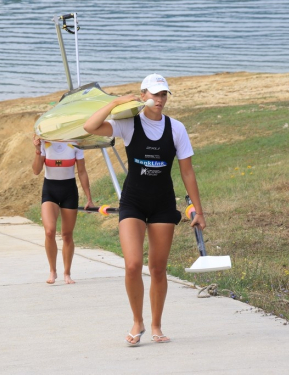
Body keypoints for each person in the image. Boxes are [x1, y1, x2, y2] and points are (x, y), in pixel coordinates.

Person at [84, 73, 206, 346]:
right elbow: (90, 126)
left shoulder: (176, 128)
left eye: (163, 95)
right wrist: (116, 102)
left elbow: (187, 172)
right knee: (133, 265)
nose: (159, 100)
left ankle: (156, 325)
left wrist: (199, 210)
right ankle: (137, 321)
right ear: (142, 95)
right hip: (133, 202)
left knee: (158, 269)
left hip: (163, 203)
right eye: (154, 94)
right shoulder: (128, 123)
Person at [32, 137, 94, 284]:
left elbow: (82, 172)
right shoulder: (45, 143)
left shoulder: (75, 143)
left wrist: (89, 198)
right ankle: (52, 271)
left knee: (66, 234)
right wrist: (37, 149)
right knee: (49, 231)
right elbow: (36, 171)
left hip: (69, 192)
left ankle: (67, 273)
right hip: (50, 191)